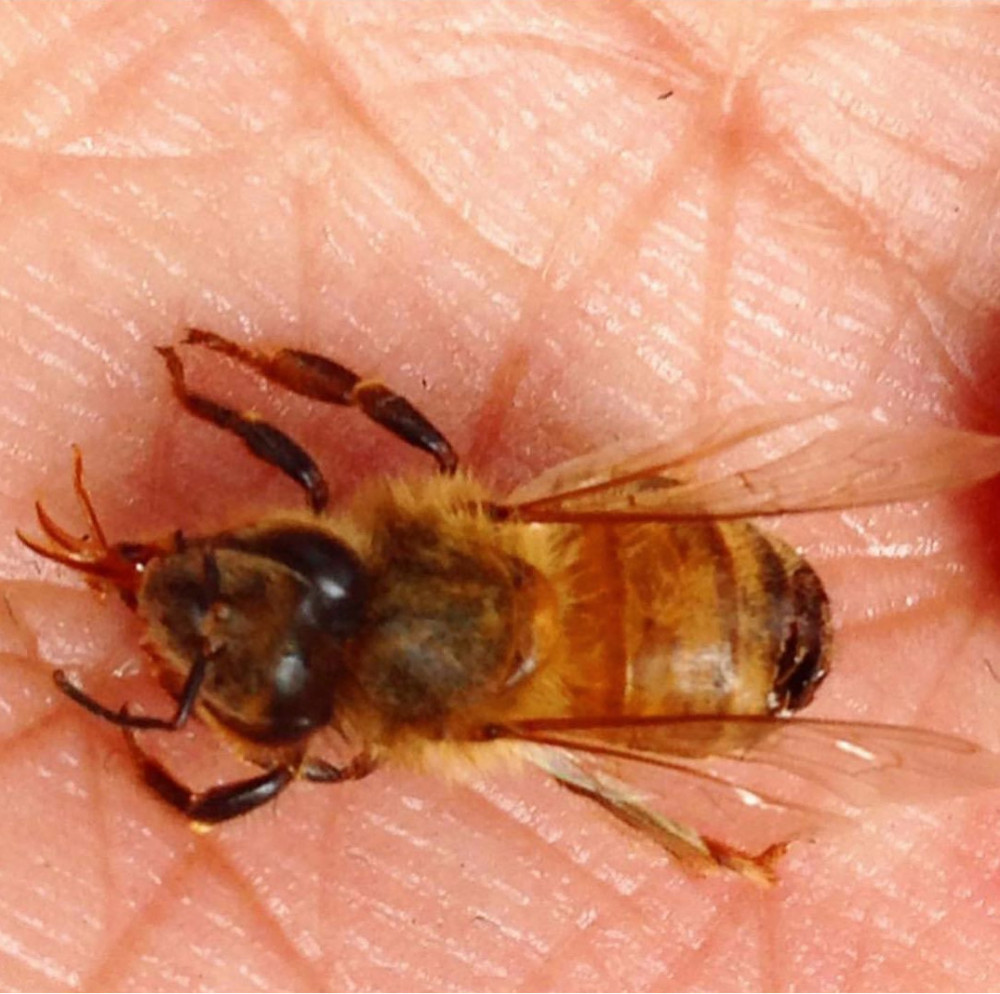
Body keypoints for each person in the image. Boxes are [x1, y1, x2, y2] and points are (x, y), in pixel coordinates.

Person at [1, 2, 998, 989]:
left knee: (579, 761)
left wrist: (153, 770)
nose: (243, 606)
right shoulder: (429, 555)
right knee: (577, 750)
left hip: (679, 644)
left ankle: (707, 852)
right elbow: (367, 406)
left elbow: (358, 421)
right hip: (672, 592)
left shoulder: (441, 717)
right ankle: (708, 852)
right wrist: (224, 387)